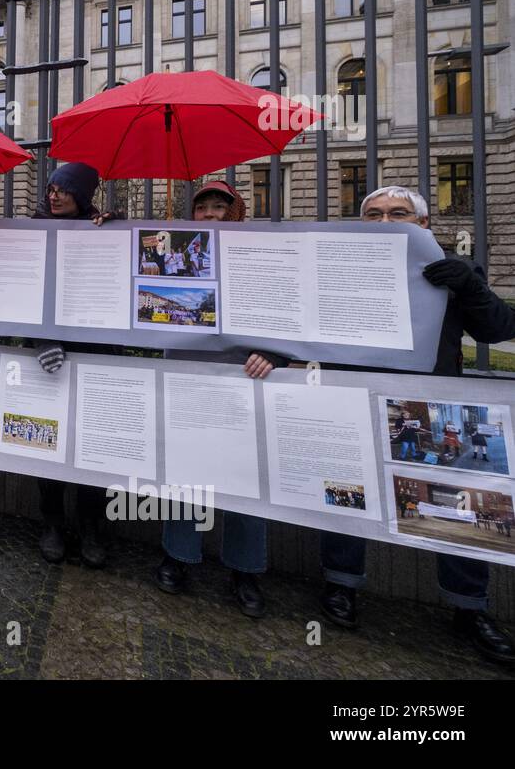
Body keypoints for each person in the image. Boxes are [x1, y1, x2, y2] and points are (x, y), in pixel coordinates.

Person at [318, 185, 515, 665]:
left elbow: (497, 330)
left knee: (457, 504)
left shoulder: (455, 272)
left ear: (423, 225)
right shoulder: (339, 268)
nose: (386, 223)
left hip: (431, 404)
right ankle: (341, 586)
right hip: (354, 399)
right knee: (348, 491)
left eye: (399, 214)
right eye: (375, 215)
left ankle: (470, 609)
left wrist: (470, 286)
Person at [149, 180, 288, 619]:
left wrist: (275, 353)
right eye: (203, 208)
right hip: (186, 374)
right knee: (186, 472)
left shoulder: (259, 254)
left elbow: (286, 311)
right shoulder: (179, 251)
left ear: (235, 211)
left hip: (243, 378)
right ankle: (178, 555)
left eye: (219, 208)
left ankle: (245, 570)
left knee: (245, 476)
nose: (210, 214)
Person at [31, 162, 122, 568]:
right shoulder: (34, 228)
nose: (53, 196)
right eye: (51, 188)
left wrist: (119, 226)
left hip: (95, 354)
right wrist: (41, 339)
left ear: (81, 196)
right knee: (47, 443)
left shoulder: (103, 228)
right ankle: (51, 525)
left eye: (63, 190)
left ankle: (90, 529)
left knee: (92, 447)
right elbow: (24, 292)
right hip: (48, 358)